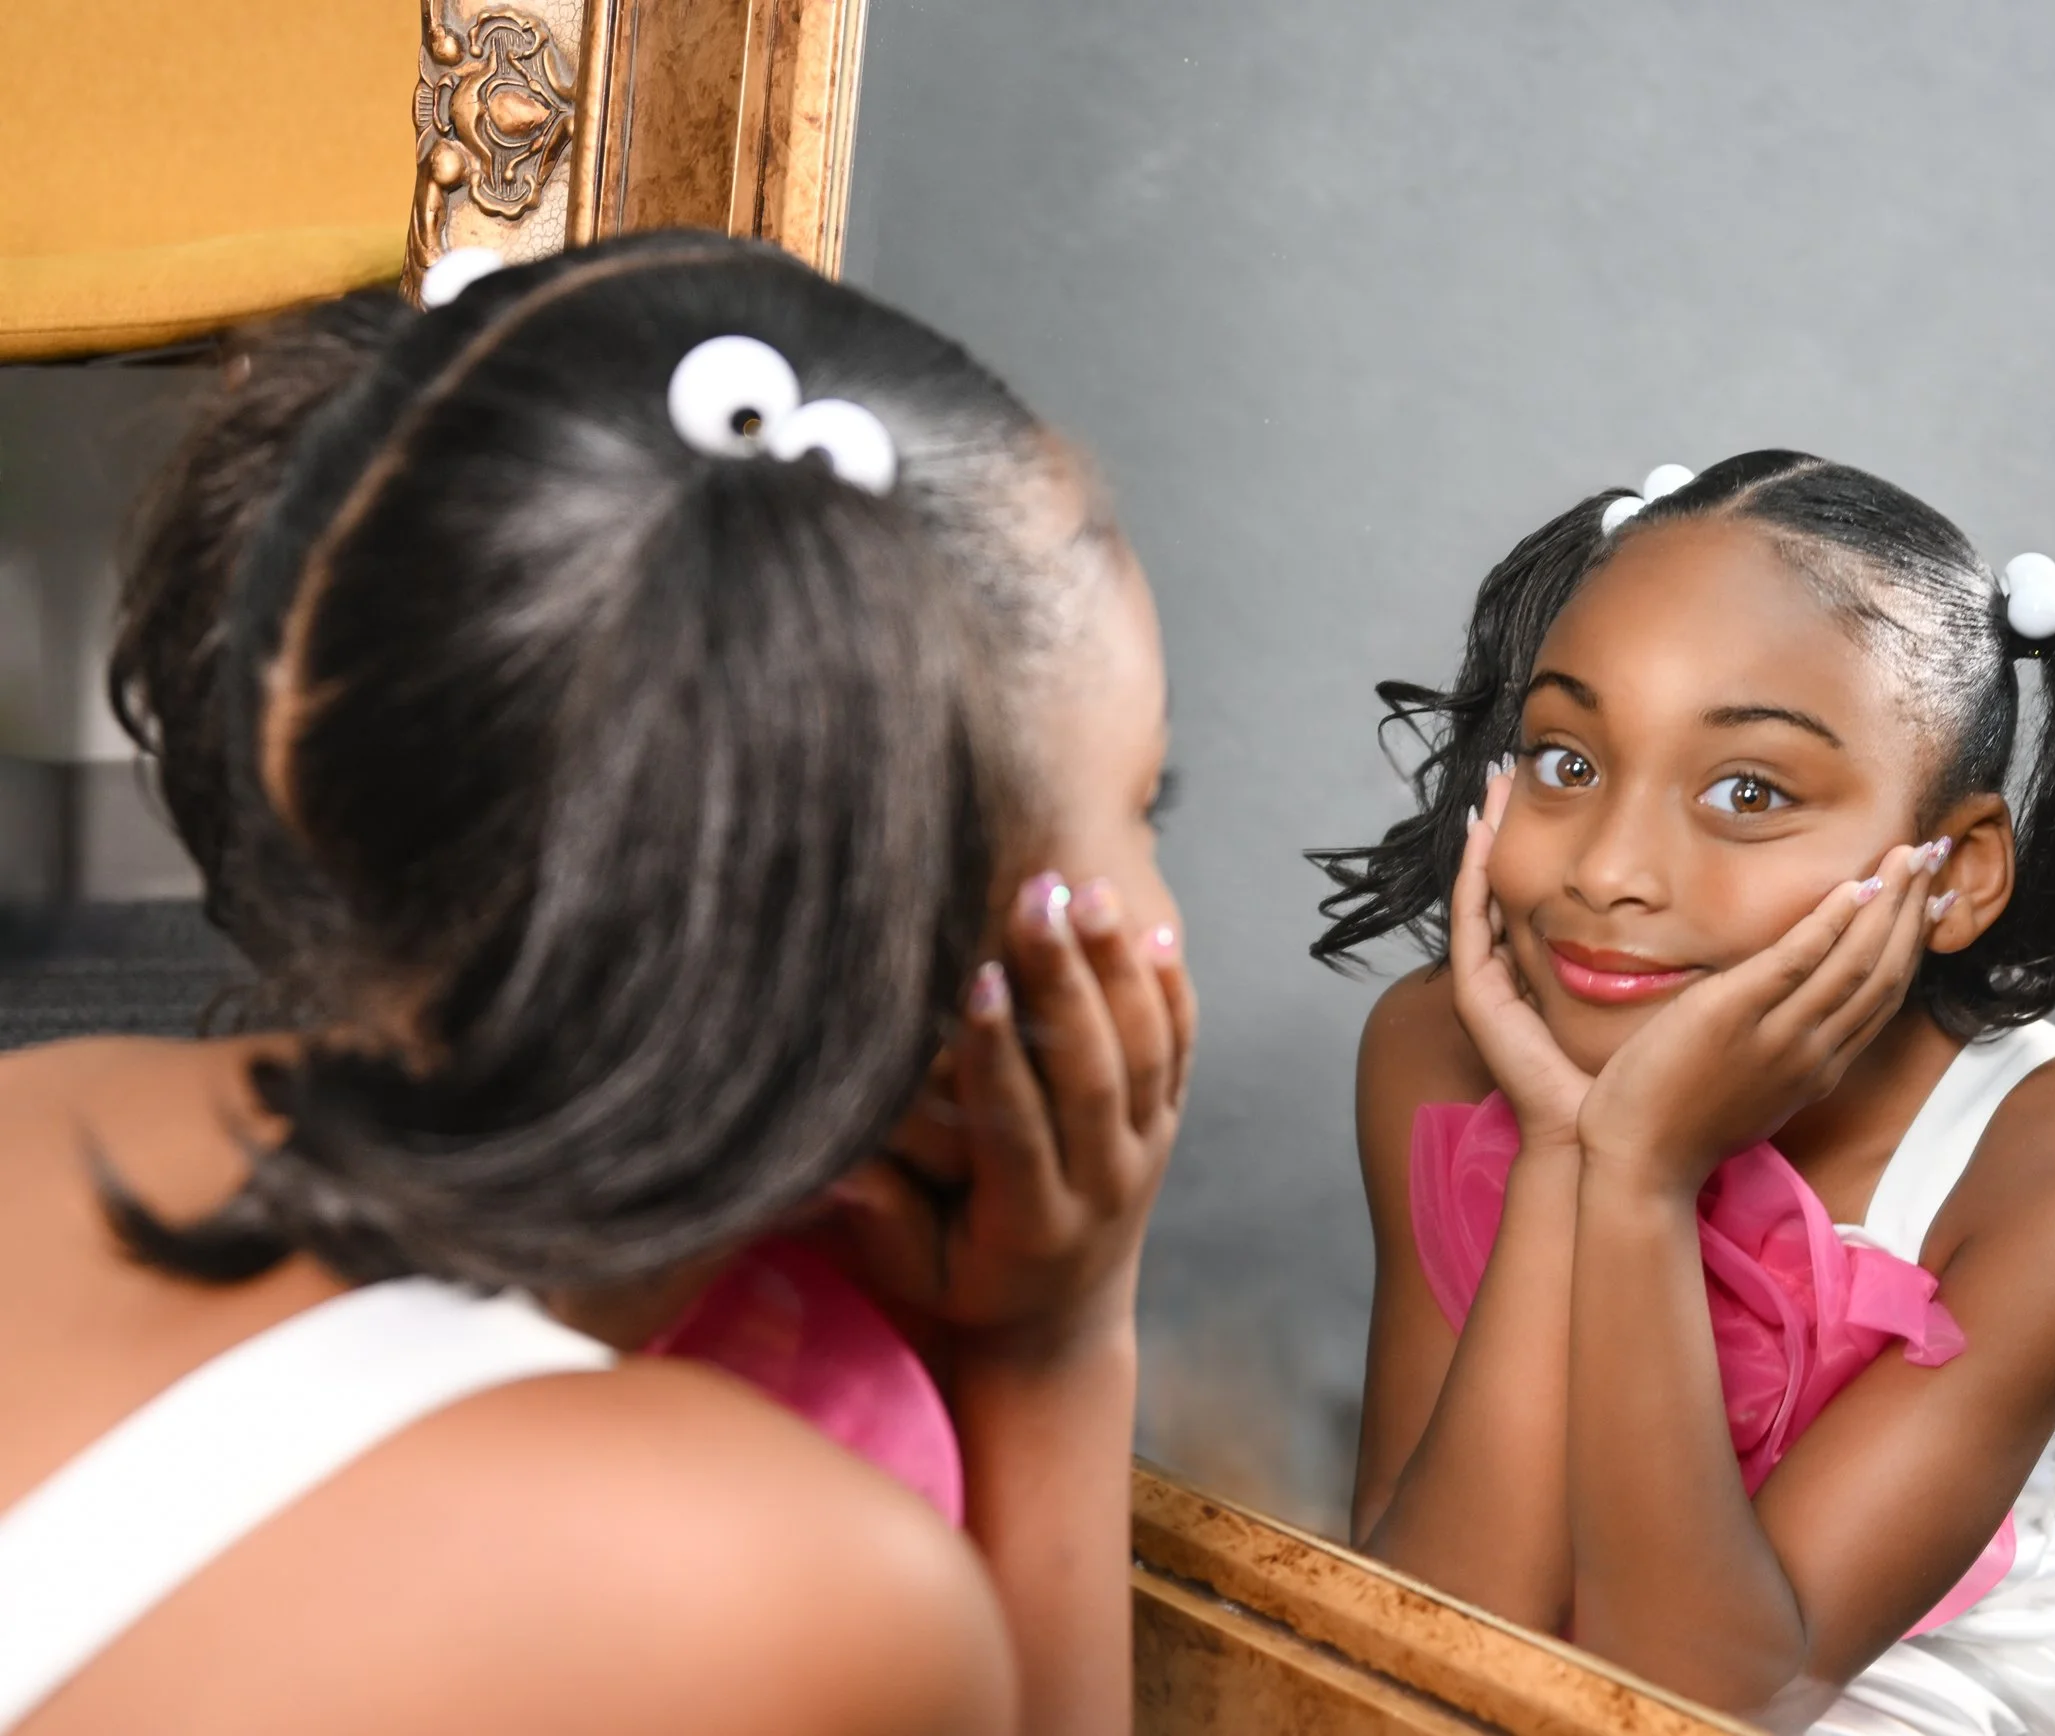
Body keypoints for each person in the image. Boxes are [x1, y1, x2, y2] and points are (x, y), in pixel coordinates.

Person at [0, 232, 1184, 1736]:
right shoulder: (784, 1588)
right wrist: (1054, 1355)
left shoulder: (42, 1104)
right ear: (902, 956)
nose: (1158, 906)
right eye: (1150, 805)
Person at [1312, 451, 2055, 1735]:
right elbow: (1426, 1647)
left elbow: (1699, 1694)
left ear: (1949, 872)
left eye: (1748, 791)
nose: (1612, 870)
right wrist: (1563, 1144)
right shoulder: (1433, 1047)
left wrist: (1639, 1173)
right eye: (1566, 760)